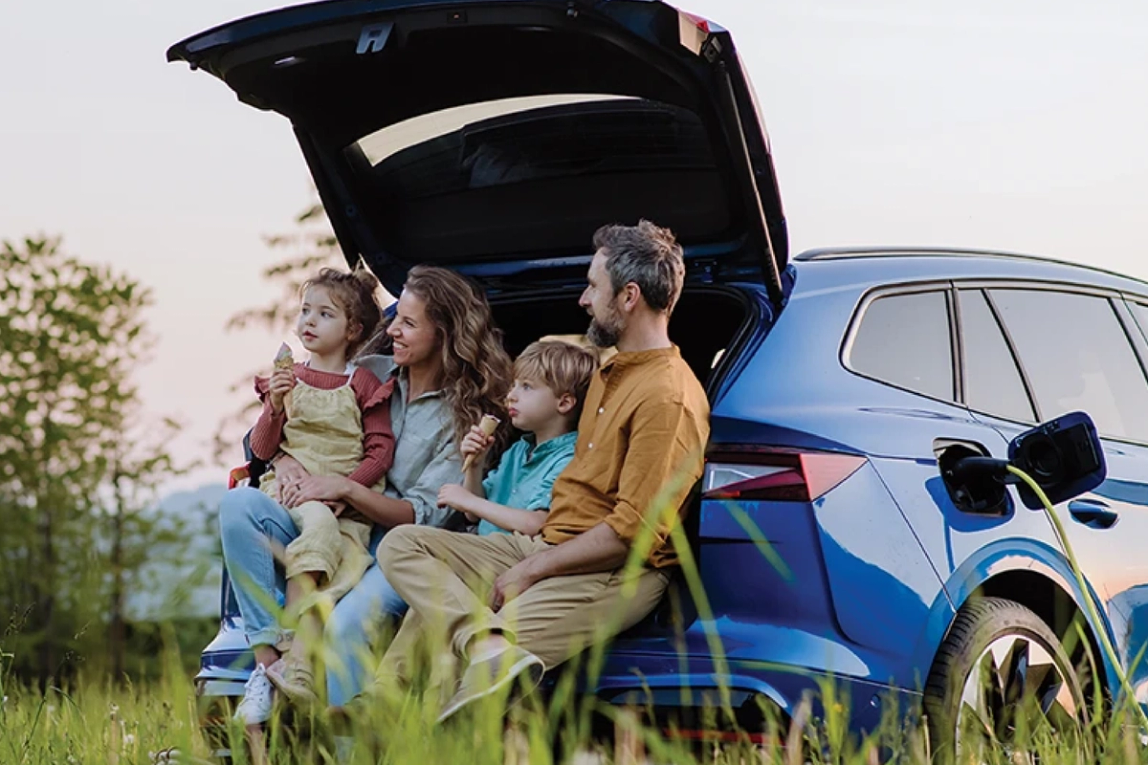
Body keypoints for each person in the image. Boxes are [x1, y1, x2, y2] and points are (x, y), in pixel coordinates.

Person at [362, 220, 711, 725]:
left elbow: (631, 533)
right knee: (404, 545)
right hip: (546, 543)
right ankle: (445, 665)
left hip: (609, 570)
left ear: (629, 296)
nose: (584, 301)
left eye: (594, 286)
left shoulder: (667, 396)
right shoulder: (613, 372)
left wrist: (531, 569)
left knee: (466, 691)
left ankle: (457, 679)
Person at [220, 264, 513, 727]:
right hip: (325, 524)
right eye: (396, 317)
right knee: (239, 505)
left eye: (408, 323)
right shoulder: (368, 372)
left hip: (398, 549)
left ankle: (346, 747)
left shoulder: (464, 417)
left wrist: (345, 488)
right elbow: (281, 437)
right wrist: (285, 462)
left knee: (347, 626)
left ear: (444, 334)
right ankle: (269, 667)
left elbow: (425, 516)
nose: (391, 329)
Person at [247, 267, 395, 706]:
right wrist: (274, 405)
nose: (308, 321)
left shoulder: (362, 383)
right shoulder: (288, 378)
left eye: (324, 314)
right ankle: (295, 654)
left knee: (330, 533)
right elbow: (261, 448)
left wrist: (342, 489)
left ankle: (301, 665)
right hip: (291, 495)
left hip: (337, 499)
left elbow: (379, 451)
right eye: (305, 310)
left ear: (353, 330)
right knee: (318, 526)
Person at [437, 340, 596, 537]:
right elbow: (472, 516)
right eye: (514, 386)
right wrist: (475, 466)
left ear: (563, 403)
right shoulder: (518, 451)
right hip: (483, 548)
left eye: (527, 387)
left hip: (517, 556)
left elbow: (536, 524)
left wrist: (469, 501)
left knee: (404, 540)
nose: (511, 395)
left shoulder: (569, 458)